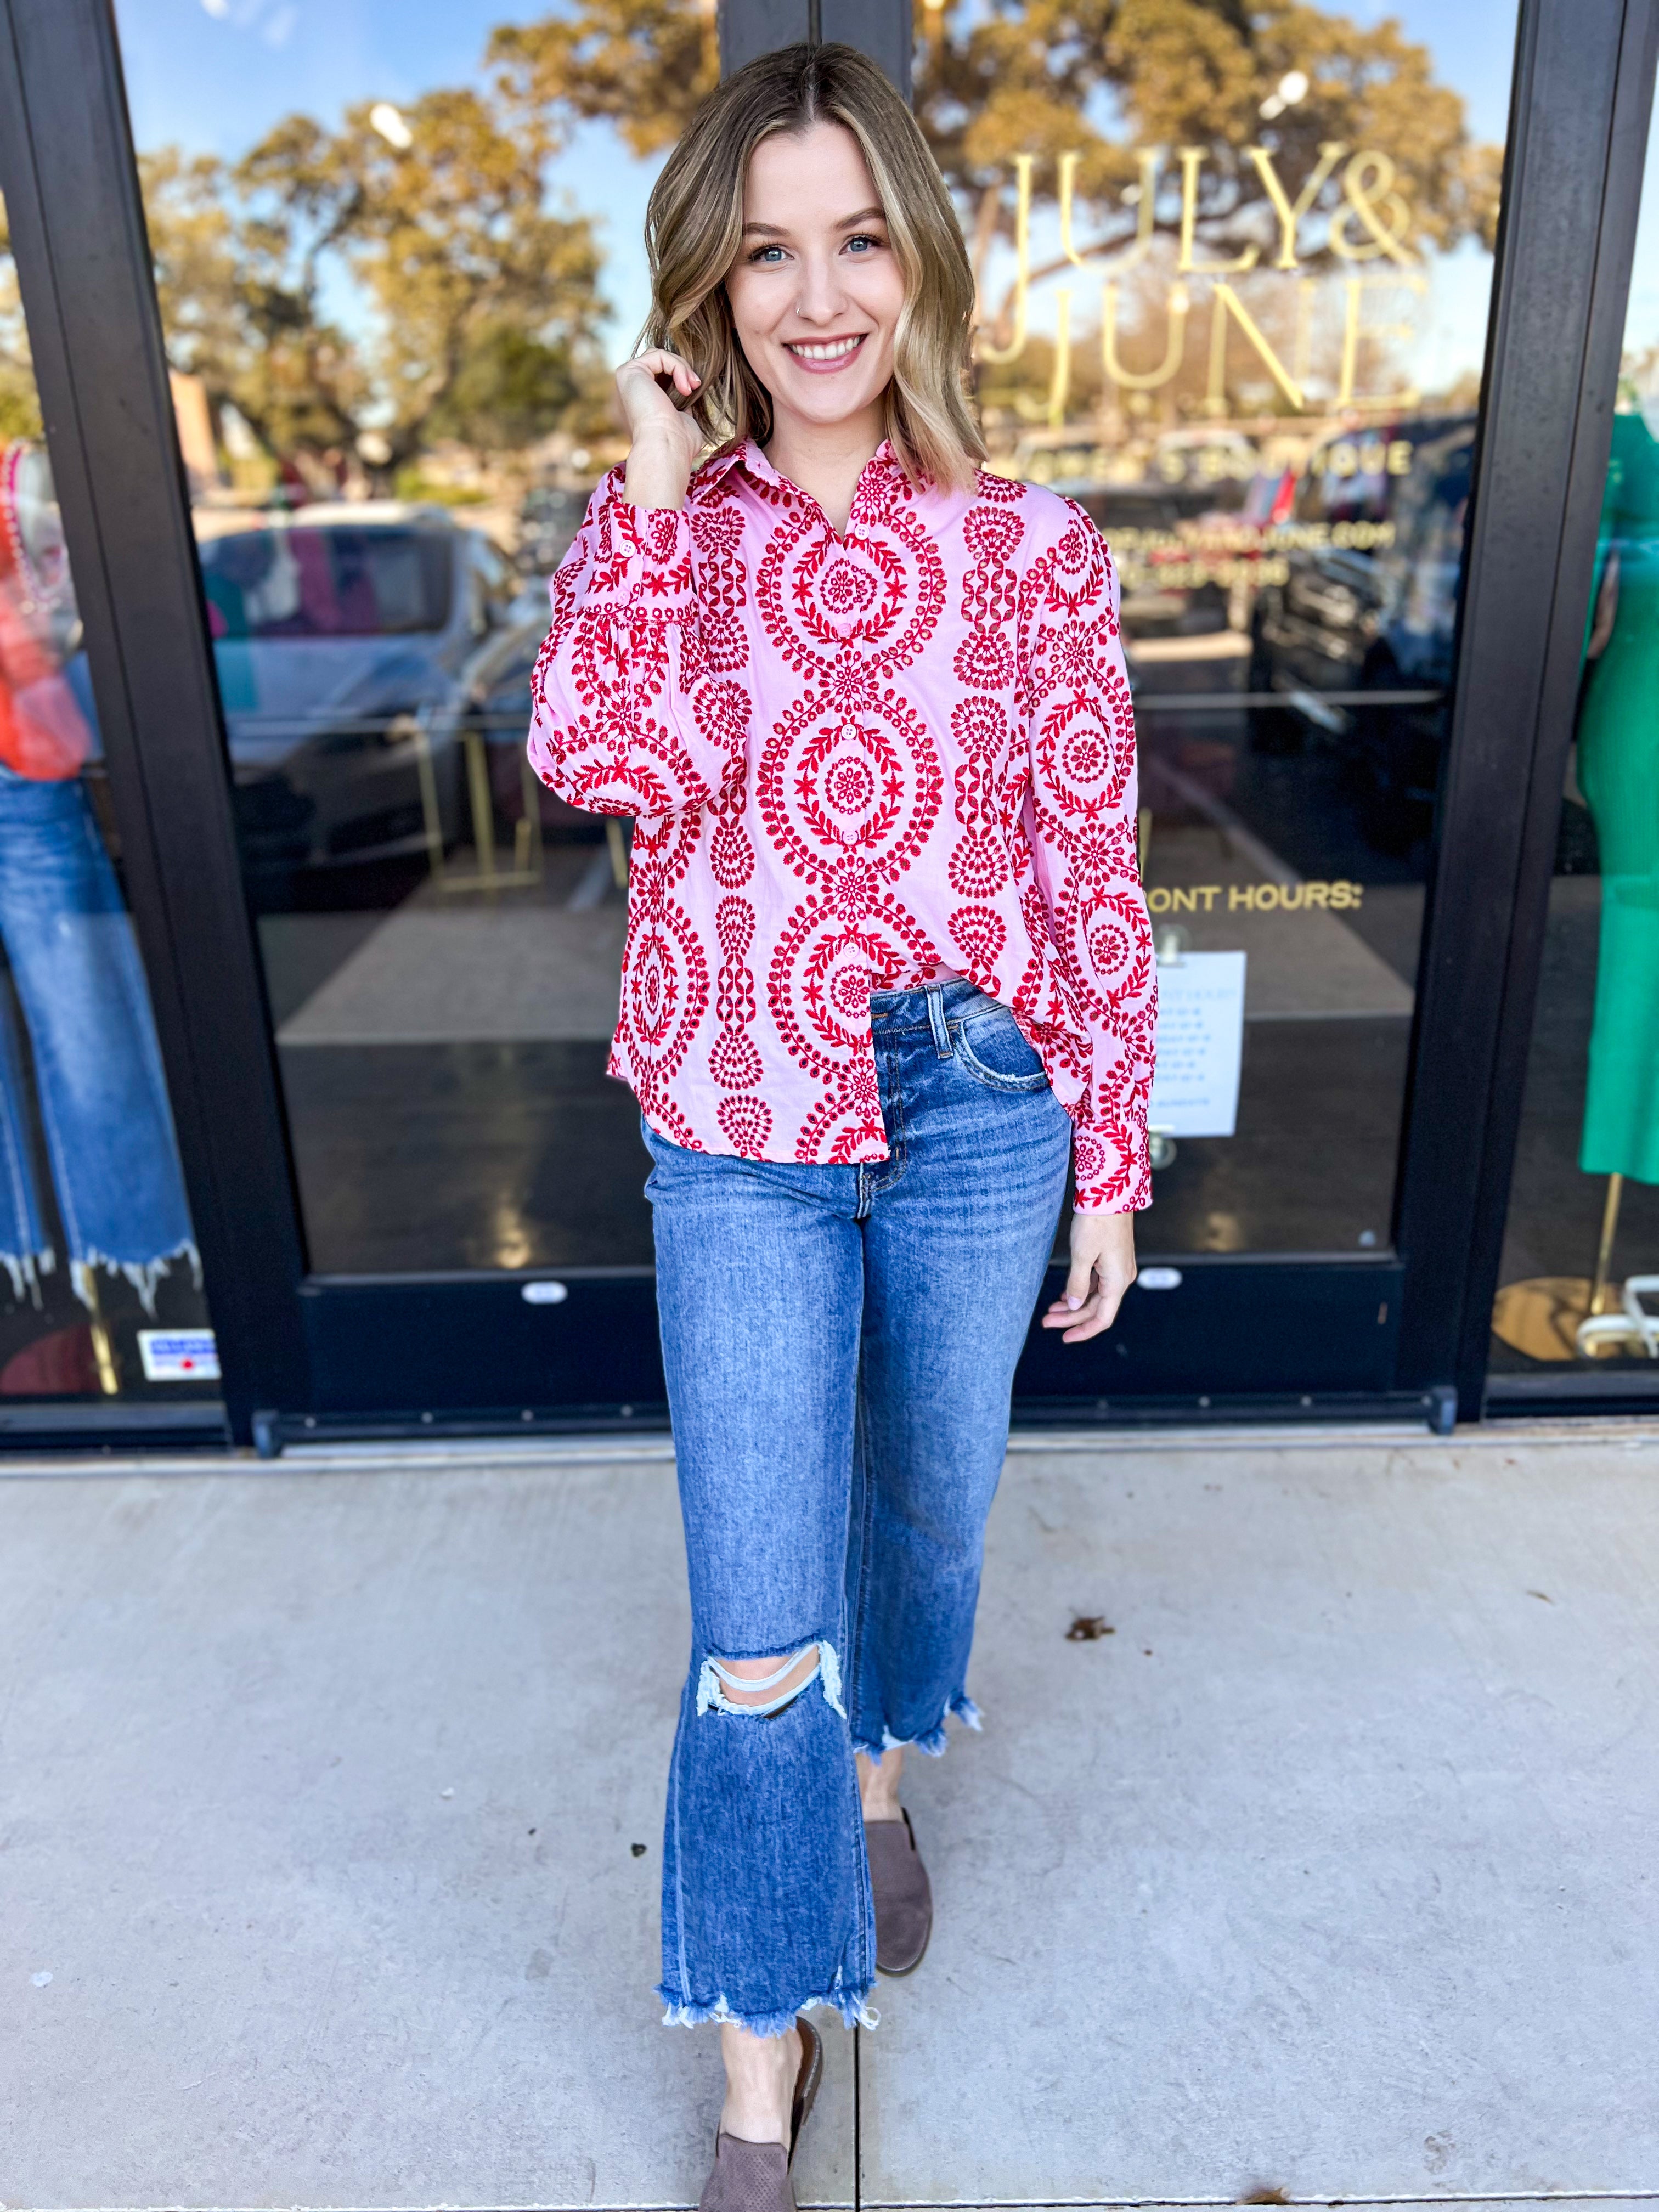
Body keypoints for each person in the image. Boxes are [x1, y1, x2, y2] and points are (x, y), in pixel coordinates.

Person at [527, 43, 1154, 2210]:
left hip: (979, 1097)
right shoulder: (661, 540)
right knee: (754, 1608)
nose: (816, 297)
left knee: (927, 1521)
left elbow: (1091, 869)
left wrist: (1115, 1152)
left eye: (857, 236)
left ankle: (887, 1783)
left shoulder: (1035, 548)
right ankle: (758, 2088)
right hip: (737, 1119)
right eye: (765, 248)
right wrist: (642, 474)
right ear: (706, 283)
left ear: (921, 255)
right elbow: (600, 765)